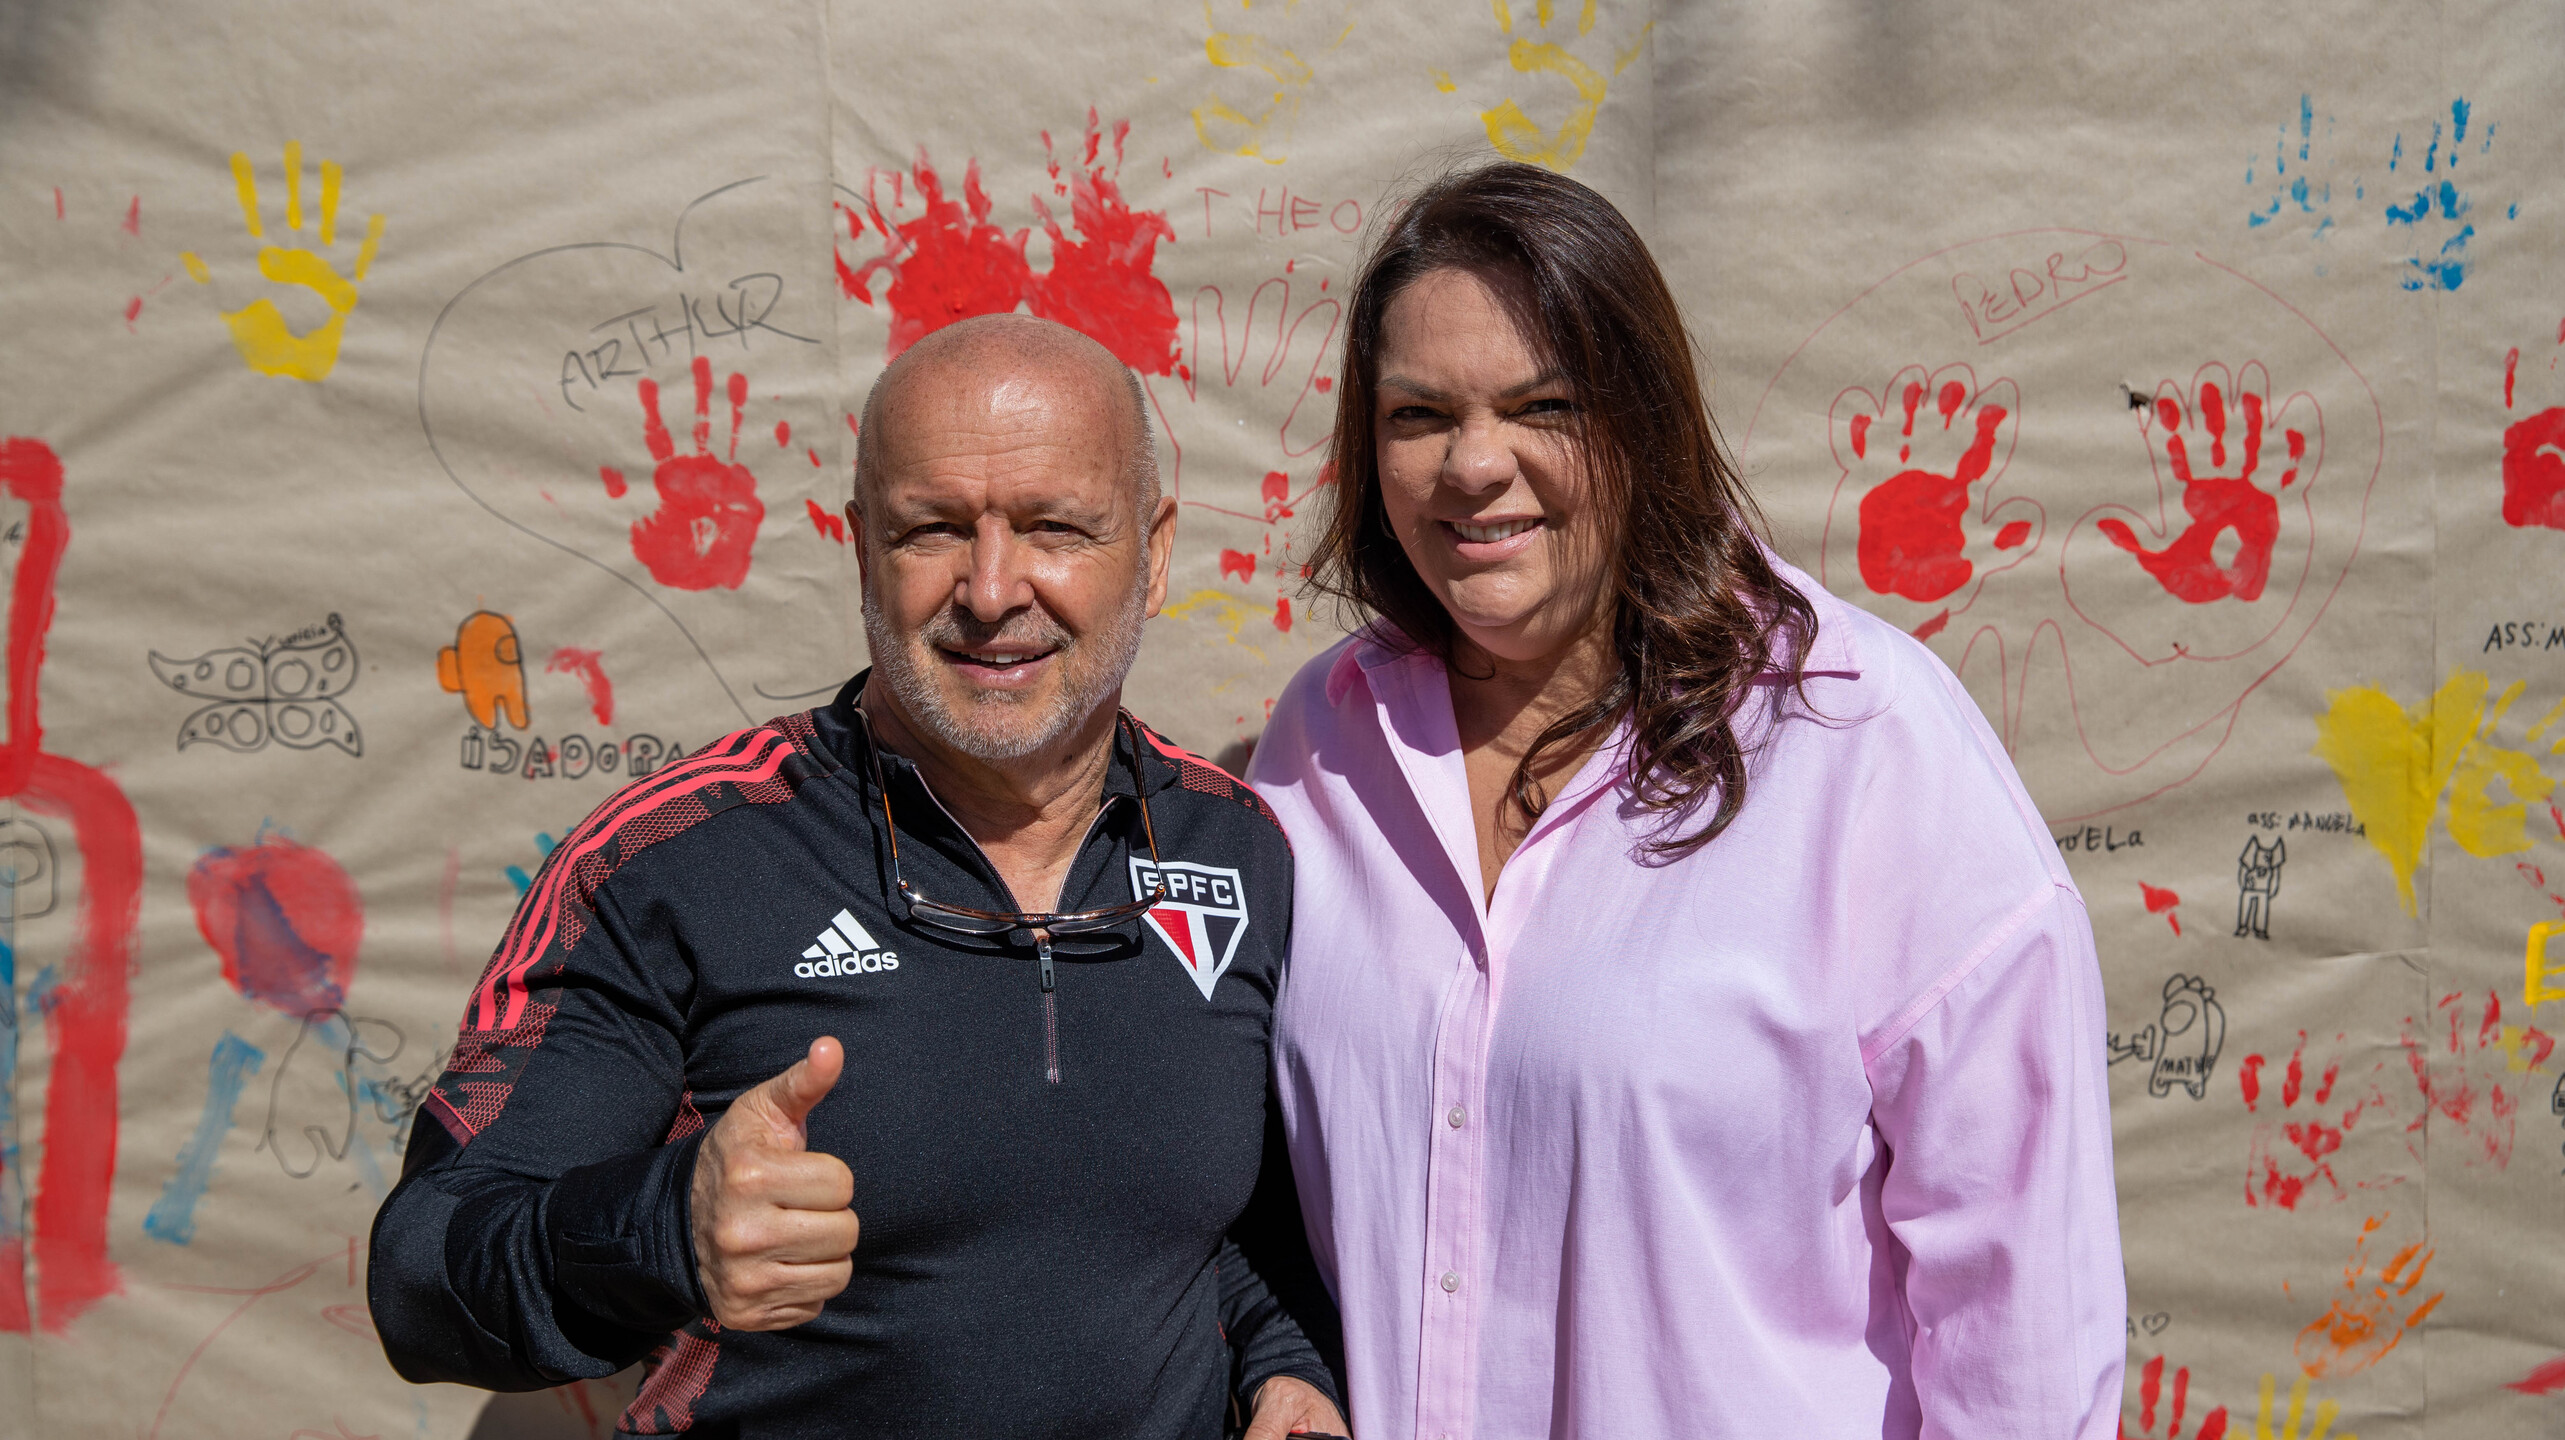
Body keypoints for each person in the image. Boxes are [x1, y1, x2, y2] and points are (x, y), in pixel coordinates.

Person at [1247, 162, 2124, 1437]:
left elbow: (2021, 1320)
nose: (1475, 464)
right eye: (1420, 414)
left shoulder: (1860, 738)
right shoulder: (1320, 745)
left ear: (1647, 421)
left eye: (1545, 403)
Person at [371, 315, 1348, 1440]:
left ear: (1156, 550)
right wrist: (662, 1231)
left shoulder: (1238, 849)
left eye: (1055, 528)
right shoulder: (669, 867)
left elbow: (1223, 1226)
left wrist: (1286, 1367)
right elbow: (419, 1273)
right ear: (859, 548)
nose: (990, 590)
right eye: (932, 529)